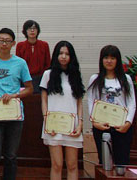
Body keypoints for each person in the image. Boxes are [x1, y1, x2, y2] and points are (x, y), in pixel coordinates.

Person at [0, 27, 33, 180]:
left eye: (8, 41)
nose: (4, 44)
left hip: (14, 117)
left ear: (13, 43)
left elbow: (30, 89)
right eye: (1, 41)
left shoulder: (20, 63)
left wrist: (15, 95)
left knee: (11, 156)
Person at [40, 41, 85, 180]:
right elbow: (44, 101)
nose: (64, 56)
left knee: (72, 165)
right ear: (56, 55)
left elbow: (79, 102)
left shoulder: (75, 75)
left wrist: (80, 123)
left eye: (67, 54)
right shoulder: (48, 74)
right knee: (57, 165)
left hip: (72, 125)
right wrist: (47, 121)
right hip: (53, 125)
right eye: (61, 53)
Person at [88, 44, 136, 167]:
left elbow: (131, 103)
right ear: (101, 60)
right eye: (106, 58)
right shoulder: (95, 79)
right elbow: (91, 101)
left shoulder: (126, 79)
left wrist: (128, 123)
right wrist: (95, 123)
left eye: (112, 58)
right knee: (104, 162)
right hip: (102, 127)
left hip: (122, 126)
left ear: (117, 60)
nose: (109, 61)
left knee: (122, 162)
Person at [16, 20, 50, 93]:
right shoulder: (20, 45)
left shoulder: (44, 45)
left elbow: (48, 64)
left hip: (41, 78)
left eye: (34, 28)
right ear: (25, 31)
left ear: (38, 31)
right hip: (25, 79)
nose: (32, 31)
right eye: (29, 28)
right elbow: (18, 65)